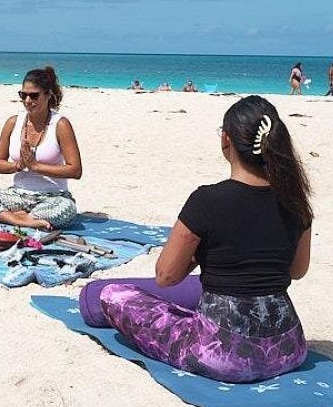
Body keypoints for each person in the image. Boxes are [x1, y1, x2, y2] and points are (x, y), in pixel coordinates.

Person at [97, 95, 312, 382]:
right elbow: (297, 271)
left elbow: (166, 276)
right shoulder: (296, 200)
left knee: (113, 295)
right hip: (287, 349)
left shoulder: (207, 200)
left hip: (223, 353)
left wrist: (199, 255)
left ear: (226, 139)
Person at [0, 66, 82, 230]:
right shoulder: (13, 122)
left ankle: (16, 217)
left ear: (48, 95)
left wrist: (35, 166)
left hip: (52, 198)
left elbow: (75, 170)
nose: (27, 101)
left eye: (34, 95)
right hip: (17, 196)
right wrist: (18, 165)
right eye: (23, 95)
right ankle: (19, 220)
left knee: (66, 210)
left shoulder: (60, 124)